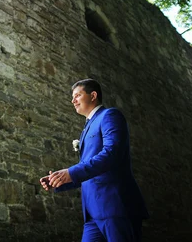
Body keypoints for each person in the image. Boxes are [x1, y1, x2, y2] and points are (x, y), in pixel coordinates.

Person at [39, 79, 148, 242]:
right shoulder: (87, 128)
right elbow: (90, 170)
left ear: (93, 95)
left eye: (78, 95)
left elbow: (111, 154)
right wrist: (60, 181)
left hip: (115, 207)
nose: (73, 100)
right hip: (91, 214)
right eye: (72, 97)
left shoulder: (109, 115)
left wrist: (71, 172)